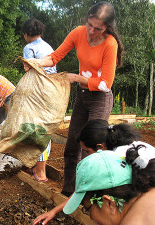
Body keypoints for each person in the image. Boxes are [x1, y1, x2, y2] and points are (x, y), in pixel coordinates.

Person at [24, 1, 124, 196]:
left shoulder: (110, 44)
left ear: (107, 28)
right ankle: (69, 193)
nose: (91, 31)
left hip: (100, 99)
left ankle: (92, 196)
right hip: (82, 96)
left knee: (92, 148)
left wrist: (77, 78)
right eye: (89, 24)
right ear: (86, 20)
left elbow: (105, 84)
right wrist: (35, 62)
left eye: (98, 28)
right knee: (72, 145)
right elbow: (54, 58)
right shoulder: (78, 33)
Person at [33, 119, 153, 224]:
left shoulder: (117, 159)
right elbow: (87, 190)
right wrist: (54, 211)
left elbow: (89, 191)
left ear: (100, 146)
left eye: (87, 151)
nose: (87, 156)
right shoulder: (117, 154)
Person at [22, 18, 57, 182]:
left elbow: (30, 71)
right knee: (44, 128)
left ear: (26, 34)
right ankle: (37, 167)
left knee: (37, 129)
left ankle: (41, 172)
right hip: (52, 90)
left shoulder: (29, 48)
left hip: (39, 92)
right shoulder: (48, 47)